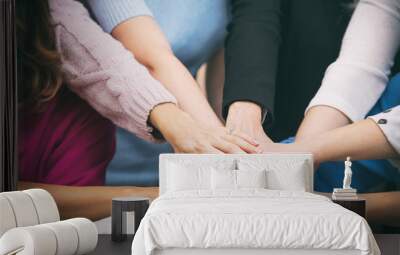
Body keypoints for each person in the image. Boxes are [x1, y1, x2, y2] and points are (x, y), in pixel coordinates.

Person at [17, 0, 257, 219]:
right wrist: (182, 129)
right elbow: (141, 58)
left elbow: (81, 41)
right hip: (101, 168)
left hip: (161, 171)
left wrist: (224, 151)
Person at [84, 0, 256, 186]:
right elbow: (153, 60)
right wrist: (226, 158)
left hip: (177, 166)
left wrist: (233, 138)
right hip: (101, 168)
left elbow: (222, 83)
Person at [264, 0, 400, 227]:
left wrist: (326, 207)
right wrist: (300, 158)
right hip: (382, 122)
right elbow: (359, 66)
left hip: (384, 131)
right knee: (261, 189)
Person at [222, 0, 354, 148]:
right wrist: (246, 107)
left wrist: (305, 149)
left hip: (359, 117)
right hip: (283, 102)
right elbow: (257, 13)